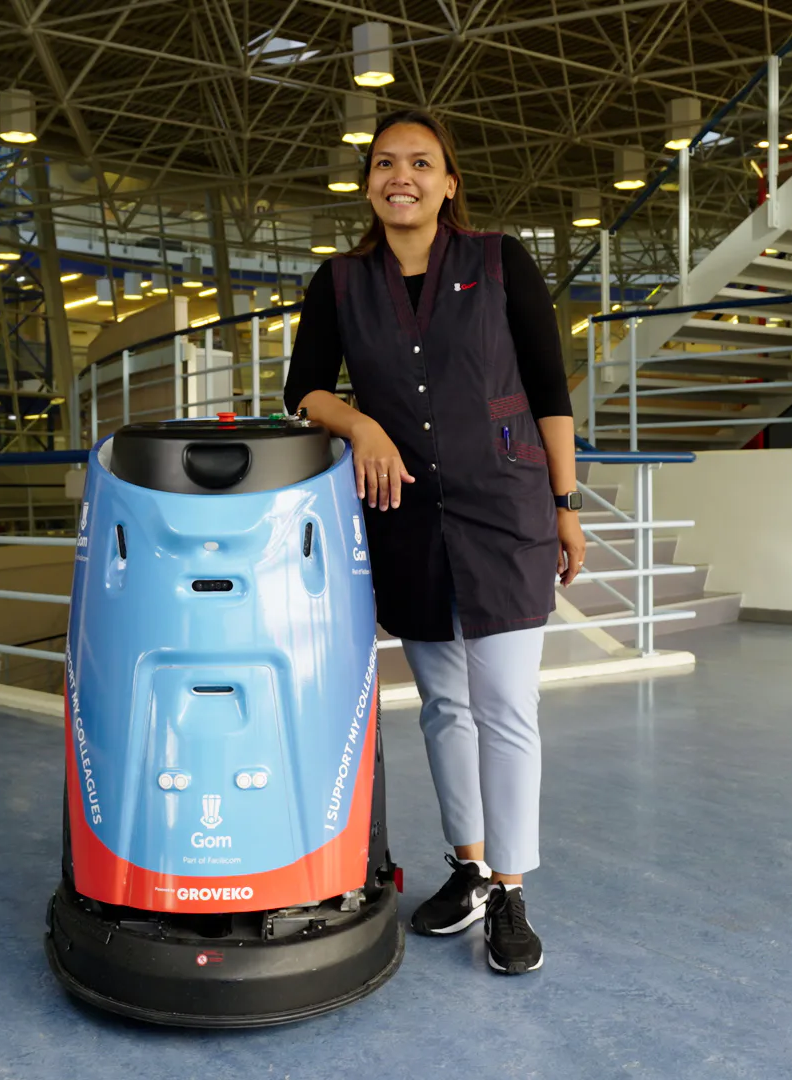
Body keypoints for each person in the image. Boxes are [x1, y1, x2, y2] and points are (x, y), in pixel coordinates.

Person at [283, 109, 584, 976]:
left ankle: (511, 891)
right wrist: (362, 425)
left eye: (420, 163)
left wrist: (565, 505)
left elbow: (549, 388)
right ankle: (469, 867)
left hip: (506, 509)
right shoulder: (341, 282)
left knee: (506, 706)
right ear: (368, 184)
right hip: (406, 515)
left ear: (449, 183)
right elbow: (305, 388)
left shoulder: (498, 261)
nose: (401, 176)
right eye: (385, 163)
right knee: (444, 706)